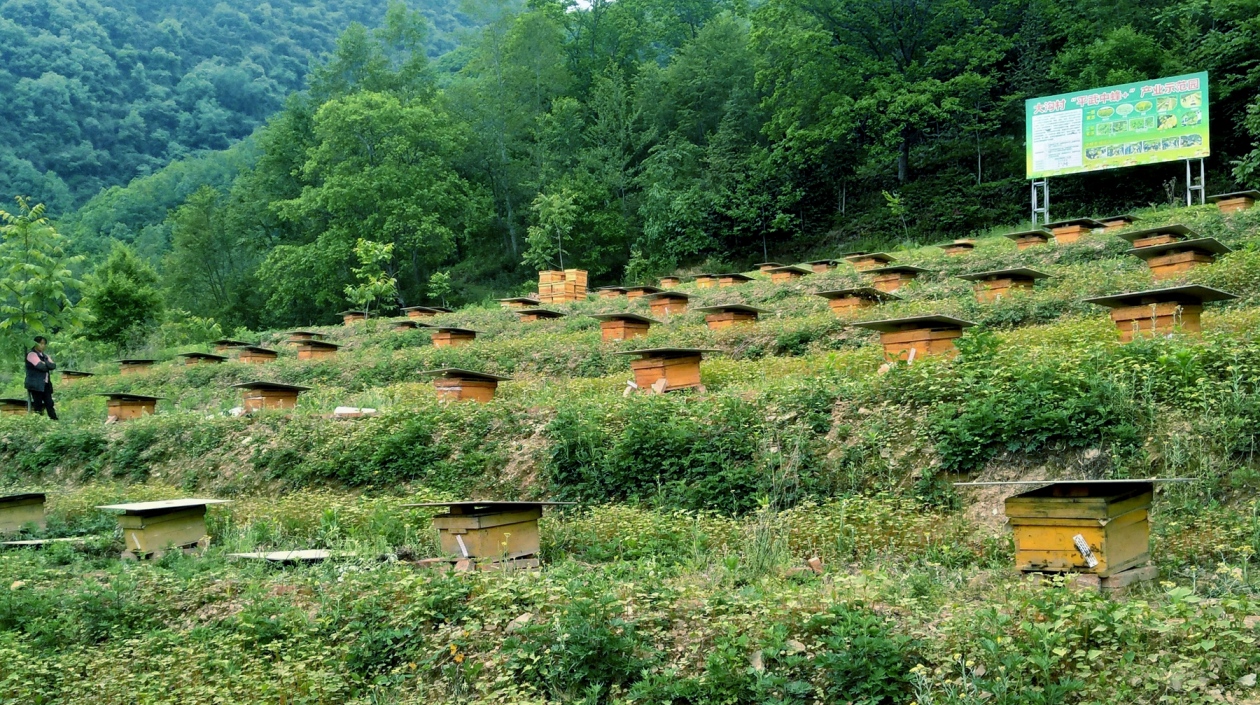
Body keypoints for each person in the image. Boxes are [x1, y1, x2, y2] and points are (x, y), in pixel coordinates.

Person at [24, 335, 58, 420]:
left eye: (44, 344)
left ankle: (54, 420)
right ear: (35, 344)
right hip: (35, 384)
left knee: (49, 403)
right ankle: (38, 422)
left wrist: (45, 363)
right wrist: (46, 364)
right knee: (38, 404)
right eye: (40, 343)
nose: (42, 345)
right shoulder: (31, 354)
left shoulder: (45, 356)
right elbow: (41, 367)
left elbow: (53, 366)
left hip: (45, 383)